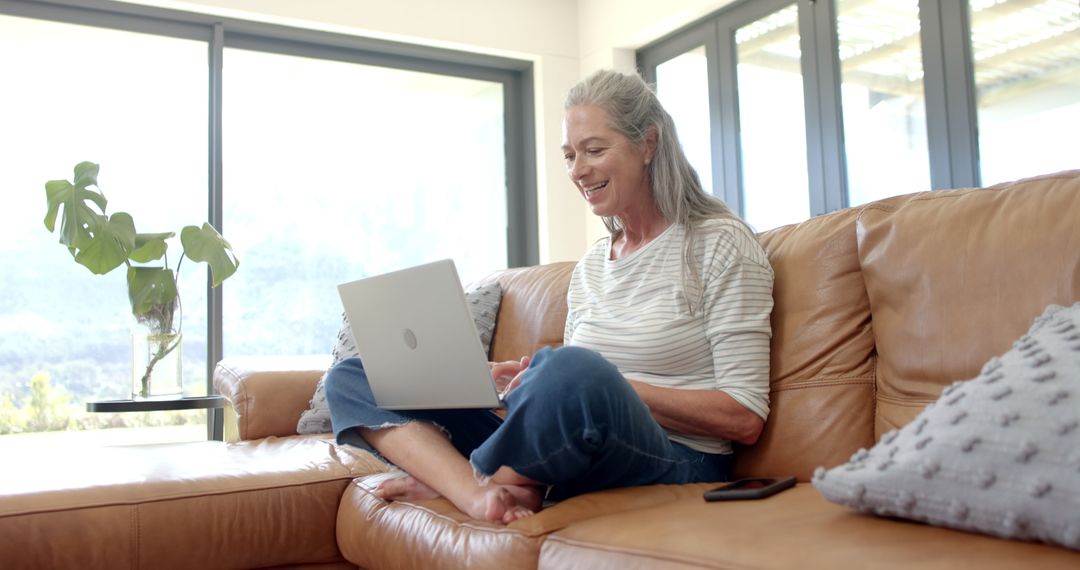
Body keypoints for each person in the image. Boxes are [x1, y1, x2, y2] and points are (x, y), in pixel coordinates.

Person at [324, 69, 774, 524]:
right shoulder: (594, 265)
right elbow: (568, 396)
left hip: (677, 460)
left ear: (648, 144)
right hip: (576, 446)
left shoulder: (719, 244)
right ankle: (477, 490)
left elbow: (744, 417)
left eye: (594, 150)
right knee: (356, 374)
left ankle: (469, 484)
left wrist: (605, 385)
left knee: (571, 370)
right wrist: (518, 383)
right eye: (570, 155)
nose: (578, 170)